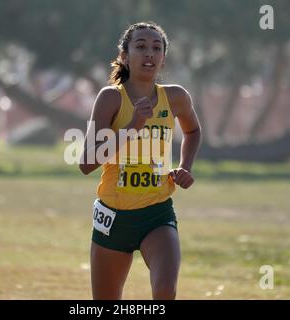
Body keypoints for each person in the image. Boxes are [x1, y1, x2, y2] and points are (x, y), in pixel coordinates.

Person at [79, 22, 201, 300]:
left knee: (164, 290)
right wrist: (133, 125)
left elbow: (193, 131)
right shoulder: (111, 98)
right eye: (141, 46)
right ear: (124, 56)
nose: (149, 54)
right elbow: (86, 163)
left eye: (156, 48)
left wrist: (185, 166)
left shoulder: (176, 97)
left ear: (163, 58)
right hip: (113, 216)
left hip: (156, 213)